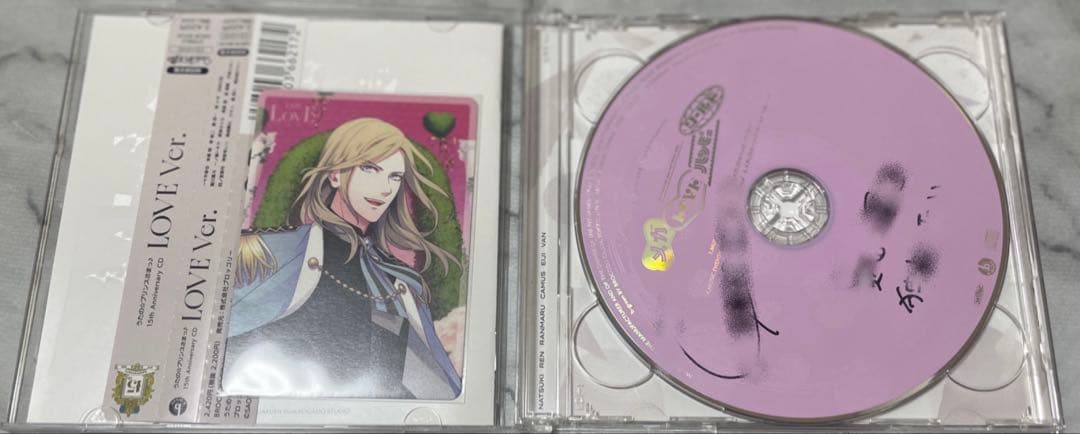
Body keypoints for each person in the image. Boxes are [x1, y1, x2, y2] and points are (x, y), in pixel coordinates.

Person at [222, 118, 462, 399]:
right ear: (335, 175)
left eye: (395, 177)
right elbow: (222, 338)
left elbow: (437, 389)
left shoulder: (399, 282)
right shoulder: (275, 250)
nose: (385, 188)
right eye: (370, 169)